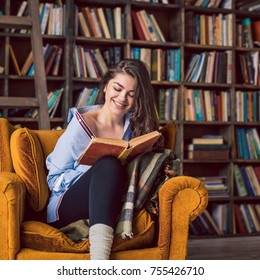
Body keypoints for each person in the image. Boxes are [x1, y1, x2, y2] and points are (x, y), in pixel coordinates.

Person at [46, 59, 161, 260]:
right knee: (108, 164)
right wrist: (92, 169)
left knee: (113, 166)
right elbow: (53, 180)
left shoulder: (133, 127)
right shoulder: (80, 126)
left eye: (131, 95)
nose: (122, 98)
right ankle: (99, 262)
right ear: (106, 86)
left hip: (110, 199)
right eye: (117, 88)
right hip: (64, 206)